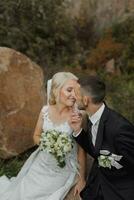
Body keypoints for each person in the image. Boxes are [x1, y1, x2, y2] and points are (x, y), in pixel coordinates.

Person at [0, 72, 86, 200]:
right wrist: (47, 143)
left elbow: (81, 150)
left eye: (76, 91)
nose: (74, 95)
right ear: (57, 91)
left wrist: (82, 179)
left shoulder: (77, 116)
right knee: (21, 193)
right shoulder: (45, 111)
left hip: (62, 169)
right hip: (42, 163)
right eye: (69, 90)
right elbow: (36, 136)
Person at [70, 75, 134, 200]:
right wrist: (78, 131)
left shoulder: (120, 129)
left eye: (76, 94)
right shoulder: (93, 116)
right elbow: (96, 150)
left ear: (86, 100)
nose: (73, 96)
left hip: (120, 190)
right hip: (98, 182)